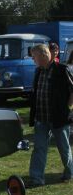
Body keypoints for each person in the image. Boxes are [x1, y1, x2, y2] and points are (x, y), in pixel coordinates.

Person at [28, 44, 73, 187]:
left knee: (64, 148)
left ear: (43, 55)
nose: (33, 59)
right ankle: (37, 179)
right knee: (39, 148)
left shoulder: (62, 69)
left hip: (59, 118)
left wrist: (68, 107)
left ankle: (69, 172)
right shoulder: (38, 71)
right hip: (41, 118)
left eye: (34, 57)